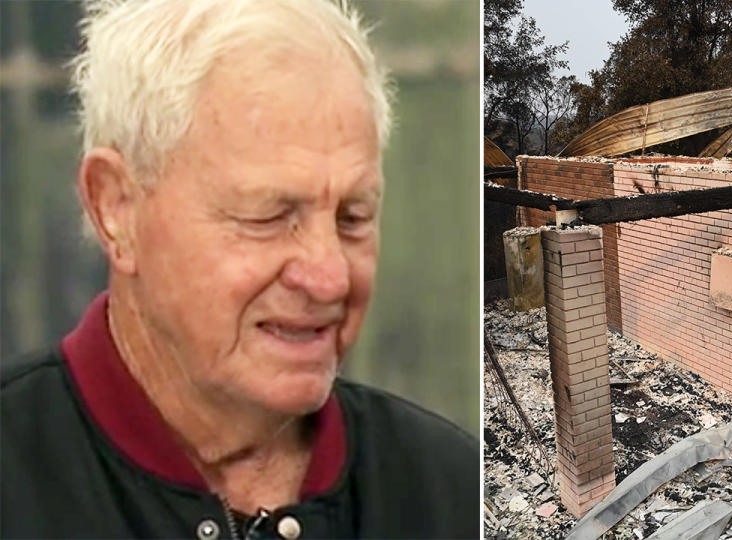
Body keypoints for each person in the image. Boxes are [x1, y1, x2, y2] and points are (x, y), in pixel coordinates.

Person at [0, 1, 479, 538]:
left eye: (353, 217)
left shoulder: (446, 491)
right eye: (268, 216)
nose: (330, 277)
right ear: (117, 208)